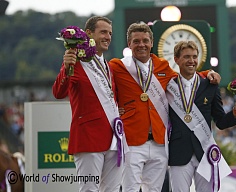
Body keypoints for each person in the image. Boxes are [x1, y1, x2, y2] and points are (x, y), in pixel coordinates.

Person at [109, 22, 220, 192]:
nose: (141, 45)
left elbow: (184, 77)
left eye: (145, 40)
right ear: (129, 44)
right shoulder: (117, 66)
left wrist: (207, 73)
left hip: (159, 143)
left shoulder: (162, 66)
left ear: (152, 43)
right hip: (132, 141)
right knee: (130, 189)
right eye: (136, 41)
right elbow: (105, 90)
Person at [52, 16, 127, 192]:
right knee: (89, 189)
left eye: (110, 33)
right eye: (103, 32)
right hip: (89, 137)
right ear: (88, 34)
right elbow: (58, 92)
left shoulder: (107, 65)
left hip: (114, 138)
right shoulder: (76, 61)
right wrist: (66, 67)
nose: (108, 37)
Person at [166, 40, 236, 192]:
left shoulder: (210, 86)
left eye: (194, 56)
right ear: (176, 59)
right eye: (186, 57)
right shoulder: (168, 86)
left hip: (205, 152)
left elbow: (221, 122)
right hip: (179, 152)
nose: (191, 61)